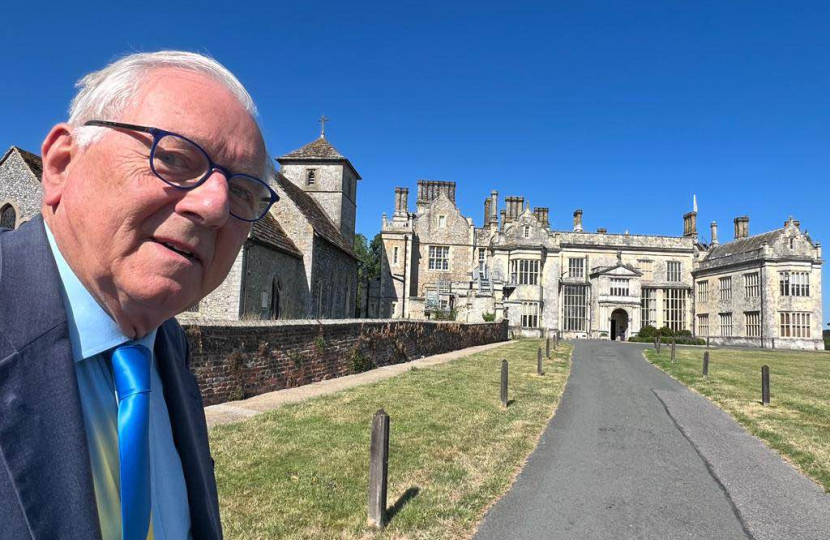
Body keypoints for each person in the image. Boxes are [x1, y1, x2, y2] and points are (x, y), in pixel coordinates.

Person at [0, 51, 279, 540]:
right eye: (173, 158)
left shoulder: (168, 346)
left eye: (241, 194)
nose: (214, 207)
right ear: (61, 165)